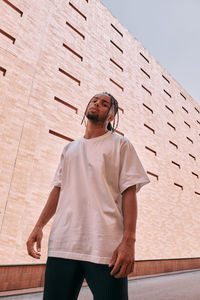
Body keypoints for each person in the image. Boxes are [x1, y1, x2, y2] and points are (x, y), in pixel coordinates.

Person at [26, 92, 150, 300]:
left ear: (111, 116)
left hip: (106, 247)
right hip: (63, 245)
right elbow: (58, 189)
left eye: (104, 104)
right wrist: (38, 226)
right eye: (94, 101)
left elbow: (129, 192)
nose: (97, 104)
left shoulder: (121, 145)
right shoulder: (69, 148)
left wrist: (129, 241)